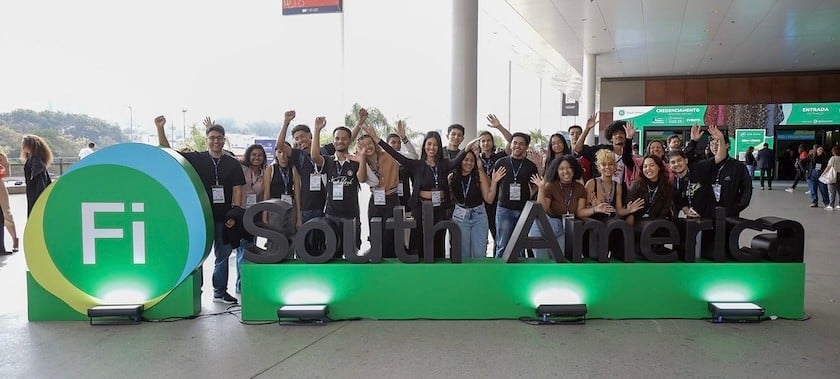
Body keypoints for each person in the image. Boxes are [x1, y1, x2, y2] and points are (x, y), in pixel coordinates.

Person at [155, 115, 245, 304]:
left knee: (223, 254)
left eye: (219, 137)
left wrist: (234, 213)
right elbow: (168, 152)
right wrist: (160, 128)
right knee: (199, 255)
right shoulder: (196, 158)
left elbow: (238, 189)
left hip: (225, 218)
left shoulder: (232, 163)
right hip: (201, 217)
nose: (216, 141)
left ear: (224, 139)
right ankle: (196, 292)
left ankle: (220, 292)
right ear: (207, 140)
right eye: (212, 137)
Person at [378, 131, 471, 259]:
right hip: (421, 209)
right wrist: (378, 140)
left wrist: (468, 147)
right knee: (419, 242)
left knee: (438, 241)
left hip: (440, 209)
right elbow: (395, 155)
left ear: (439, 147)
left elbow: (457, 161)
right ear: (424, 146)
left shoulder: (444, 164)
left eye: (435, 145)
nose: (432, 148)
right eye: (429, 144)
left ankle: (436, 273)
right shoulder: (416, 164)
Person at [529, 155, 609, 259]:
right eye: (561, 168)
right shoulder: (551, 186)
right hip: (546, 226)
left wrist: (595, 209)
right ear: (556, 171)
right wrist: (541, 188)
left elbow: (580, 212)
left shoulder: (580, 188)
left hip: (565, 228)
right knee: (543, 261)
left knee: (561, 259)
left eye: (569, 167)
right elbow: (542, 209)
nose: (566, 171)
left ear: (574, 169)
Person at [310, 117, 368, 258]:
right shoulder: (328, 160)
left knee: (352, 253)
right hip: (331, 215)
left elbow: (362, 179)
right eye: (337, 138)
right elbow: (314, 156)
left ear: (349, 140)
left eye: (343, 139)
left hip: (351, 215)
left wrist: (362, 160)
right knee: (332, 252)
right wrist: (317, 130)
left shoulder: (354, 161)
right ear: (333, 140)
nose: (340, 141)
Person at [449, 149, 504, 259]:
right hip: (460, 216)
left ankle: (480, 276)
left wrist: (494, 182)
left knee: (479, 254)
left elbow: (489, 199)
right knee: (463, 254)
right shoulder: (452, 177)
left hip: (478, 216)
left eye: (472, 161)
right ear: (460, 160)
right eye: (465, 160)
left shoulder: (478, 174)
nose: (469, 163)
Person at [492, 132, 540, 258]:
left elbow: (536, 184)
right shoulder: (500, 162)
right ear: (511, 144)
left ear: (526, 147)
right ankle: (500, 273)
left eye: (521, 144)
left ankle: (518, 275)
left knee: (520, 247)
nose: (517, 146)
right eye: (515, 143)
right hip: (504, 209)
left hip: (523, 210)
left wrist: (530, 193)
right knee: (502, 244)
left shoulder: (530, 166)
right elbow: (493, 184)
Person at [359, 119, 401, 258]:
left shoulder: (388, 155)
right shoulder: (361, 162)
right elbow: (361, 179)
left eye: (369, 143)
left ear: (375, 143)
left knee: (391, 234)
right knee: (375, 233)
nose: (367, 147)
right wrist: (362, 159)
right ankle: (376, 261)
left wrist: (377, 138)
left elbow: (409, 156)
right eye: (363, 146)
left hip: (391, 198)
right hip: (375, 200)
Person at [686, 130, 752, 218]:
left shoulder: (738, 166)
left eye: (718, 143)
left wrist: (736, 208)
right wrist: (693, 141)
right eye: (712, 144)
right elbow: (686, 160)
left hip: (729, 215)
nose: (715, 147)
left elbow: (746, 190)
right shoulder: (706, 164)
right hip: (707, 214)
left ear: (727, 145)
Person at [669, 124, 729, 220]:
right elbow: (678, 198)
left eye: (679, 160)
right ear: (670, 166)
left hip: (708, 217)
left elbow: (720, 157)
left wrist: (721, 139)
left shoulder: (699, 167)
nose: (676, 164)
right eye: (673, 162)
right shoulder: (675, 180)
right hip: (690, 219)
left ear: (686, 161)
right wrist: (685, 209)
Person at [233, 144, 267, 293]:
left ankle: (246, 282)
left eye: (260, 155)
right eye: (253, 154)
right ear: (248, 155)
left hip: (254, 215)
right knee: (243, 250)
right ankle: (241, 284)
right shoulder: (241, 170)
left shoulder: (265, 173)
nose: (256, 157)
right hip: (241, 213)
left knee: (251, 249)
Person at [479, 114, 514, 243]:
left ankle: (496, 260)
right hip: (480, 202)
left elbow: (512, 141)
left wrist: (499, 127)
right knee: (481, 238)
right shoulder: (475, 160)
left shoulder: (500, 157)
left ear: (493, 142)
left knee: (498, 236)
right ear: (479, 143)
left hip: (496, 202)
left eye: (488, 140)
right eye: (483, 141)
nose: (486, 143)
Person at [585, 149, 643, 222]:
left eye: (610, 164)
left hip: (611, 223)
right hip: (594, 223)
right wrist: (594, 208)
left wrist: (629, 210)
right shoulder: (591, 183)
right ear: (599, 167)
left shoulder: (617, 185)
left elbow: (619, 211)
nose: (607, 167)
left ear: (615, 167)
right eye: (604, 164)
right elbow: (582, 212)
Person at [263, 141, 301, 238]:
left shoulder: (293, 168)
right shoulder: (270, 169)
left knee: (291, 237)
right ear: (275, 153)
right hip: (274, 206)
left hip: (290, 205)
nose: (283, 155)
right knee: (275, 237)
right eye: (279, 152)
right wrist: (265, 214)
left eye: (285, 152)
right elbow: (266, 193)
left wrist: (299, 216)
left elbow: (297, 194)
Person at [626, 154, 674, 225]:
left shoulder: (667, 186)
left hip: (657, 222)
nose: (648, 169)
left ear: (659, 167)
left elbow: (665, 210)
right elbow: (629, 206)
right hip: (638, 221)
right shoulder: (636, 185)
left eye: (652, 165)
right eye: (645, 166)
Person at [21, 135, 53, 216]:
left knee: (34, 214)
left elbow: (40, 181)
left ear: (29, 145)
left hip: (35, 193)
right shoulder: (35, 158)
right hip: (34, 192)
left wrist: (39, 199)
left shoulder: (35, 160)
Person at [0, 153, 18, 254]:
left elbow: (7, 173)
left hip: (0, 187)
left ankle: (15, 240)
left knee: (6, 213)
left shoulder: (1, 156)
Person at [826, 146, 840, 210]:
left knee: (832, 191)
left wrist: (824, 173)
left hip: (834, 175)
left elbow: (829, 167)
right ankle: (839, 205)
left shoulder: (833, 158)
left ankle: (831, 205)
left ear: (834, 151)